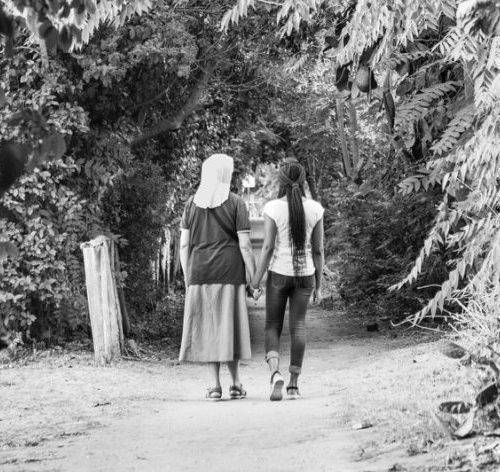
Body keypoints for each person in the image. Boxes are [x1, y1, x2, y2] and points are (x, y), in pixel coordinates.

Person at [179, 153, 256, 401]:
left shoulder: (190, 204)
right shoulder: (236, 203)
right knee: (229, 327)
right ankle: (236, 384)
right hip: (230, 273)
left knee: (207, 329)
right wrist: (254, 278)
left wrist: (187, 276)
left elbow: (184, 245)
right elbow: (245, 245)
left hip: (199, 272)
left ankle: (214, 386)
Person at [250, 158, 324, 401]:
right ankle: (293, 385)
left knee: (272, 326)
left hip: (278, 275)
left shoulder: (272, 208)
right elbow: (318, 251)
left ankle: (275, 374)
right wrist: (319, 285)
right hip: (306, 276)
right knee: (298, 326)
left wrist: (255, 282)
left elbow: (268, 247)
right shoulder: (315, 209)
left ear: (281, 181)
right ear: (303, 181)